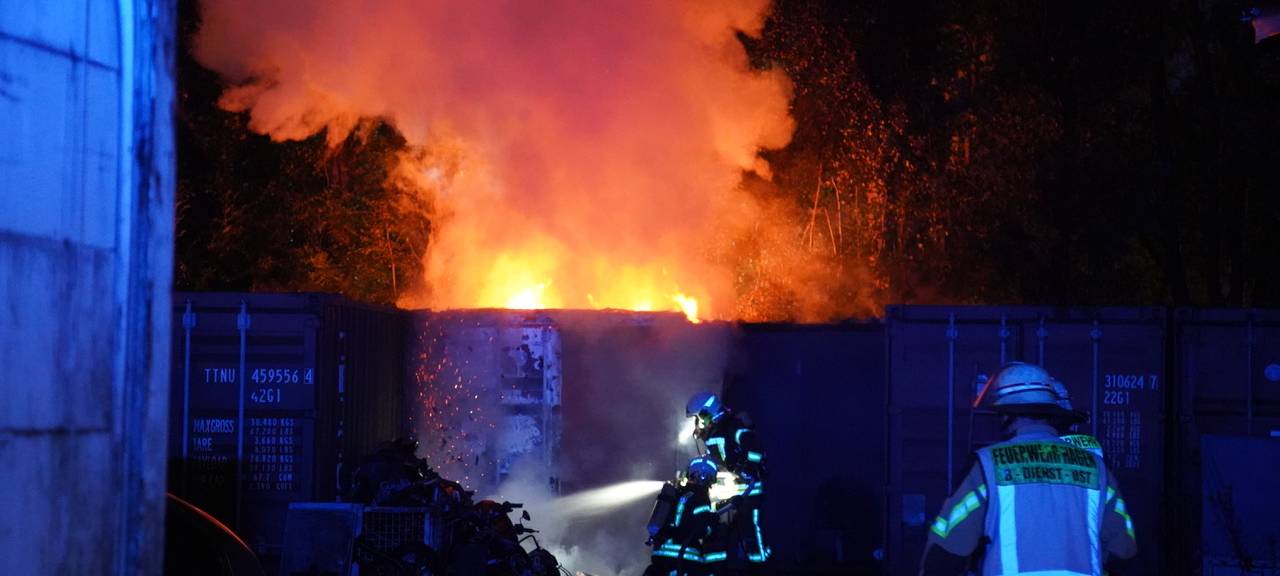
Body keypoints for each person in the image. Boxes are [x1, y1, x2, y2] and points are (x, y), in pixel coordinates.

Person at [920, 362, 1137, 575]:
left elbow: (945, 554)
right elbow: (1124, 549)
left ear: (1006, 414)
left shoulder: (988, 465)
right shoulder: (1095, 467)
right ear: (1051, 411)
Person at [686, 391, 770, 569]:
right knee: (717, 532)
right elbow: (716, 461)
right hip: (727, 492)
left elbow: (754, 447)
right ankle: (717, 570)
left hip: (748, 489)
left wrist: (746, 466)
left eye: (698, 418)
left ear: (707, 413)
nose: (697, 423)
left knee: (750, 529)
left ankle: (760, 566)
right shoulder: (712, 435)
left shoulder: (732, 427)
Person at [646, 456, 722, 576]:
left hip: (661, 553)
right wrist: (714, 522)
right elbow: (702, 529)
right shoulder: (701, 497)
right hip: (684, 557)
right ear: (710, 478)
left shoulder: (677, 493)